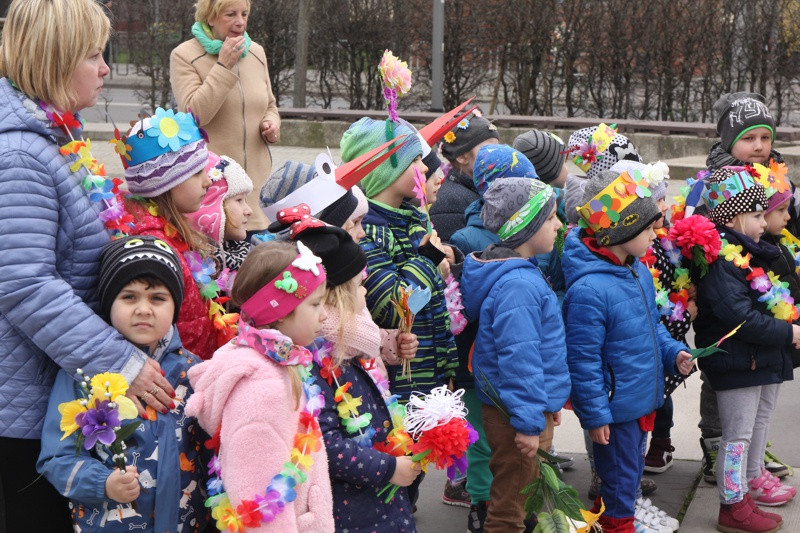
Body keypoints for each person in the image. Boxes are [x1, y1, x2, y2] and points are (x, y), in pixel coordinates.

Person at [0, 1, 173, 529]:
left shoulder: (51, 141)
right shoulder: (22, 156)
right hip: (26, 407)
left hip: (52, 386)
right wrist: (120, 361)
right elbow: (24, 285)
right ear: (53, 59)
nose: (104, 69)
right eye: (93, 55)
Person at [38, 236, 210, 532]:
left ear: (176, 306)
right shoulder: (83, 375)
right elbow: (56, 457)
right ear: (109, 304)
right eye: (129, 297)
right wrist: (103, 483)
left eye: (158, 298)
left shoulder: (196, 371)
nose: (143, 309)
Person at [562, 169, 693, 532]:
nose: (656, 234)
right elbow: (582, 361)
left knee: (625, 475)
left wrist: (673, 353)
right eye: (649, 228)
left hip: (637, 399)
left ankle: (610, 517)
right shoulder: (590, 290)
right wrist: (595, 415)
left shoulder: (633, 271)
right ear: (622, 231)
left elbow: (652, 328)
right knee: (620, 479)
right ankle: (619, 525)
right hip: (615, 409)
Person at [185, 240, 335, 531]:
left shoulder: (281, 365)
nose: (324, 314)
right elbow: (260, 503)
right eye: (315, 303)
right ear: (278, 311)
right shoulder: (262, 389)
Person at [283, 218, 420, 532]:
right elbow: (325, 444)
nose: (366, 290)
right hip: (350, 511)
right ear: (336, 296)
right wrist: (388, 468)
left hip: (377, 502)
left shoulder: (352, 345)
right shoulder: (317, 360)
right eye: (360, 284)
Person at [461, 178, 570, 533]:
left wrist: (547, 401)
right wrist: (526, 423)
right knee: (510, 507)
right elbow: (519, 361)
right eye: (552, 217)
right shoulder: (519, 285)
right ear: (526, 226)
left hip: (522, 410)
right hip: (516, 415)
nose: (559, 225)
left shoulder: (520, 273)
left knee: (518, 497)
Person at [692, 167, 796, 532]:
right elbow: (741, 317)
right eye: (756, 215)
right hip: (737, 361)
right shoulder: (722, 259)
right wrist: (787, 333)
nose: (762, 221)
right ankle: (731, 506)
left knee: (746, 433)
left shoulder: (750, 251)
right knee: (736, 438)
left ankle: (743, 496)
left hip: (750, 359)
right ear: (734, 217)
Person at [700, 92, 794, 484]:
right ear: (727, 139)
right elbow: (695, 239)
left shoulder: (775, 175)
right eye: (748, 138)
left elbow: (790, 225)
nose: (758, 146)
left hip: (767, 290)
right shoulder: (713, 184)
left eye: (765, 137)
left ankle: (751, 456)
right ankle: (716, 446)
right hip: (728, 295)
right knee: (724, 380)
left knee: (759, 387)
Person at [339, 117, 458, 401]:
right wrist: (430, 261)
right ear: (386, 168)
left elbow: (434, 304)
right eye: (415, 160)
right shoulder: (366, 230)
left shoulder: (415, 218)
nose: (426, 167)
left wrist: (448, 366)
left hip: (432, 378)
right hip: (401, 389)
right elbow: (394, 309)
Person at [170, 0, 280, 237]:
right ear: (210, 17)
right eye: (230, 14)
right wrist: (223, 65)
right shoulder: (184, 55)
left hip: (258, 197)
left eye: (244, 14)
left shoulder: (257, 53)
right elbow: (194, 115)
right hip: (215, 197)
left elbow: (269, 104)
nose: (240, 22)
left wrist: (271, 124)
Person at [121, 108, 223, 359]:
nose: (208, 182)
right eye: (197, 173)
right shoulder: (155, 246)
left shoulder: (170, 232)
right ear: (168, 182)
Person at [429, 113, 500, 241]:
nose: (497, 155)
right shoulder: (450, 202)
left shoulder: (481, 188)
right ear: (462, 157)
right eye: (488, 149)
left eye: (498, 148)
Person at [187, 151, 254, 273]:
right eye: (239, 200)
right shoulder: (190, 263)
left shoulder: (240, 252)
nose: (249, 211)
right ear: (209, 207)